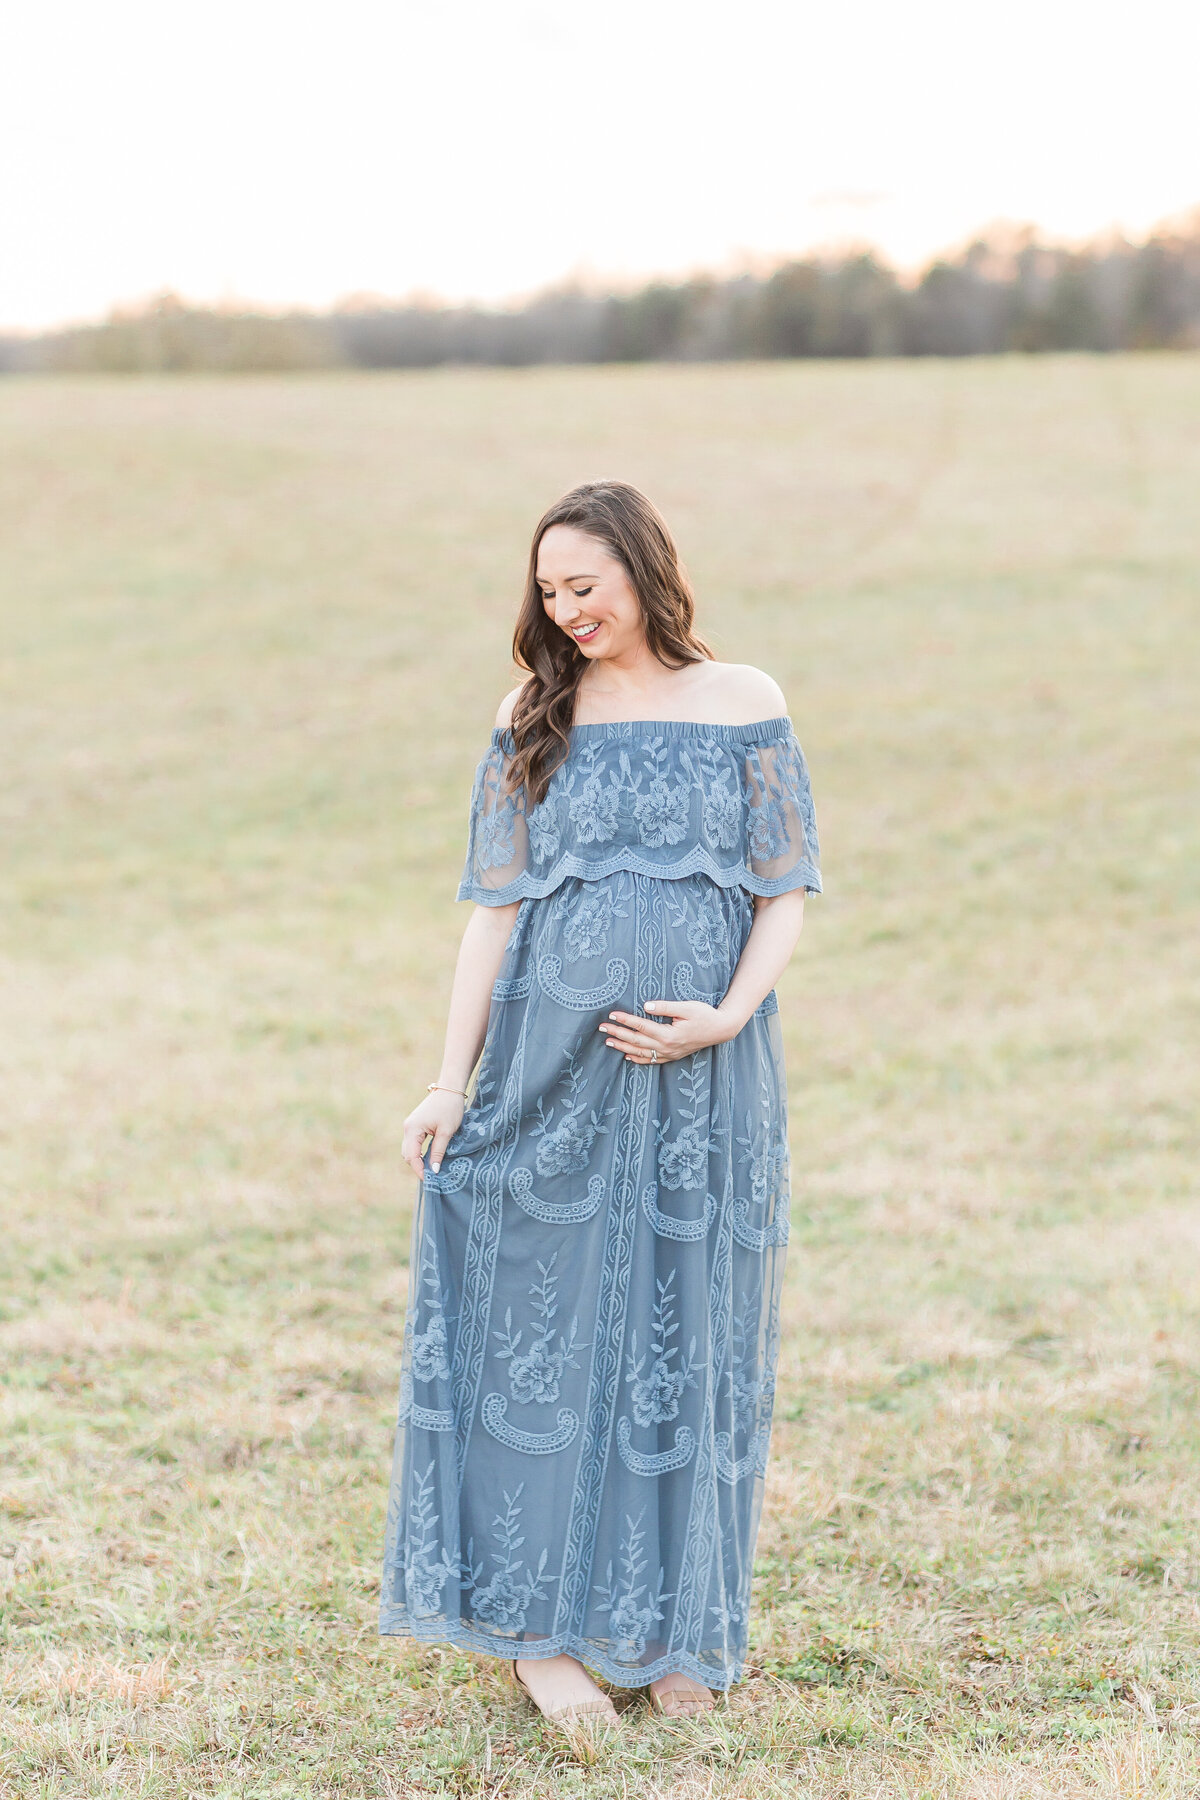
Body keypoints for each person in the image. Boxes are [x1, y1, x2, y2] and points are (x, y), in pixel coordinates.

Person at [380, 479, 821, 1730]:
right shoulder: (534, 712)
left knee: (694, 1337)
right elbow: (494, 909)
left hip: (707, 1080)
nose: (566, 609)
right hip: (548, 1075)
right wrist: (448, 1079)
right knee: (543, 1333)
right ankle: (532, 1634)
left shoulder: (745, 700)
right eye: (549, 591)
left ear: (643, 568)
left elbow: (783, 887)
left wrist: (728, 1015)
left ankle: (682, 1637)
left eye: (587, 584)